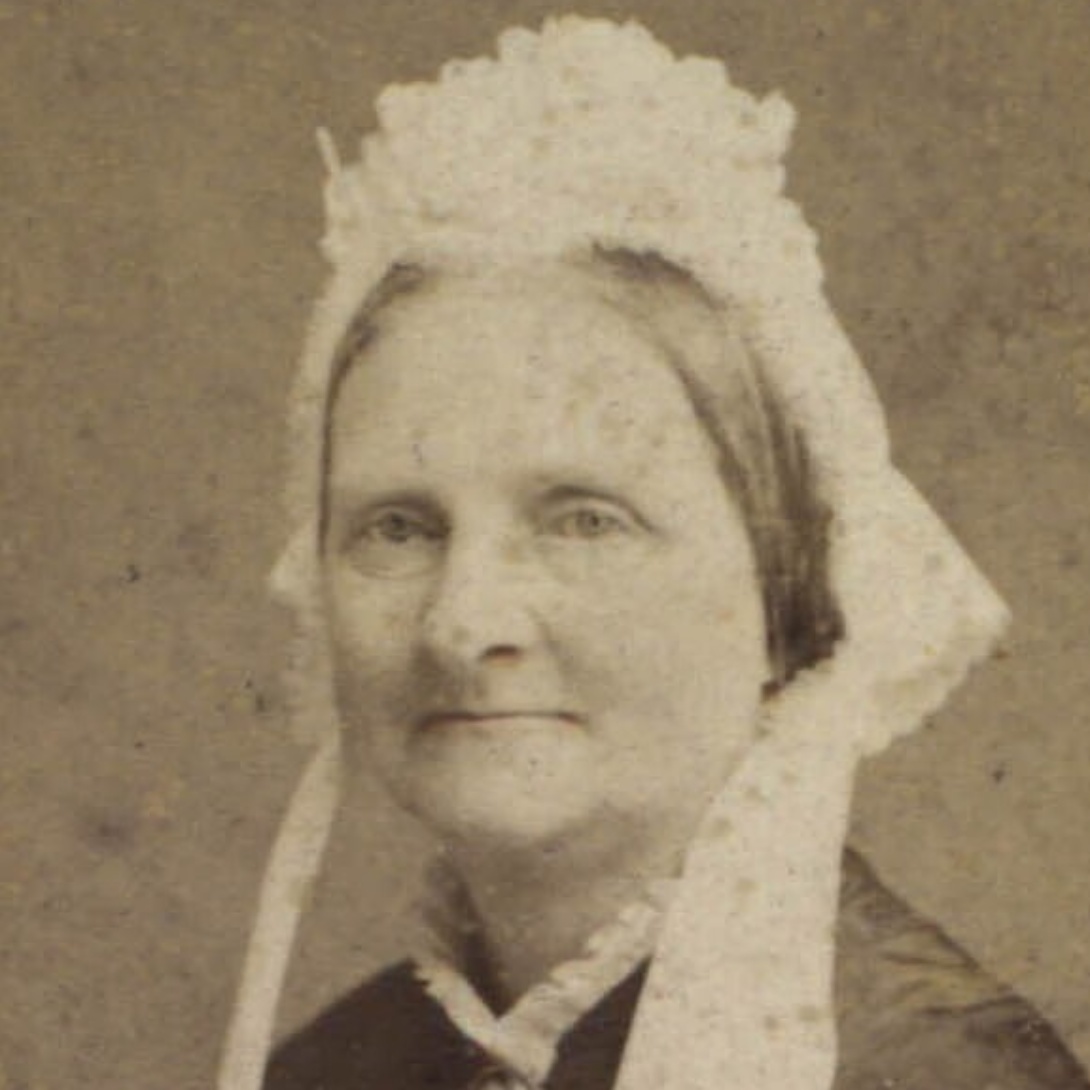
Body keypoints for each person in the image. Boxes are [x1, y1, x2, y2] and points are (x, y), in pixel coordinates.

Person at [217, 17, 1089, 1090]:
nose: (463, 622)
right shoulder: (333, 1067)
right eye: (399, 528)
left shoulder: (940, 1073)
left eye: (583, 520)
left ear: (782, 593)